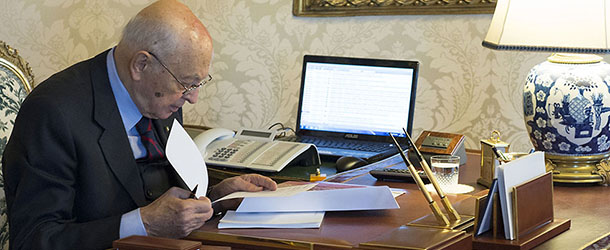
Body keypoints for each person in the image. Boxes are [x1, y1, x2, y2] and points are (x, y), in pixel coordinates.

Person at [1, 0, 277, 249]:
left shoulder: (161, 97)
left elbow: (166, 199)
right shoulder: (54, 112)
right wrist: (142, 224)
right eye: (186, 83)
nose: (193, 98)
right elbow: (34, 239)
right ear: (141, 65)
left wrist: (216, 199)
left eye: (199, 83)